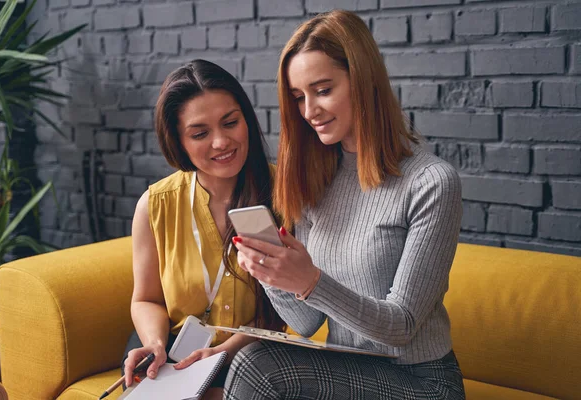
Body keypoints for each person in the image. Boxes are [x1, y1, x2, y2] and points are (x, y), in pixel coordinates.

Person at [227, 9, 465, 400]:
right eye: (298, 97)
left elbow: (401, 326)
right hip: (349, 369)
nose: (309, 111)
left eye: (322, 90)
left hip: (423, 382)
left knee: (258, 367)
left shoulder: (431, 182)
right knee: (254, 360)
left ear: (364, 80)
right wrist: (275, 277)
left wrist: (311, 281)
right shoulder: (316, 180)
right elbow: (305, 322)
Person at [122, 59, 284, 400]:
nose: (221, 142)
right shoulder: (156, 205)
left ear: (247, 120)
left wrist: (223, 352)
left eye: (231, 123)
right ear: (178, 142)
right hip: (177, 355)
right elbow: (146, 299)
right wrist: (154, 344)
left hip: (254, 358)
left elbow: (285, 314)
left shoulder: (283, 193)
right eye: (200, 133)